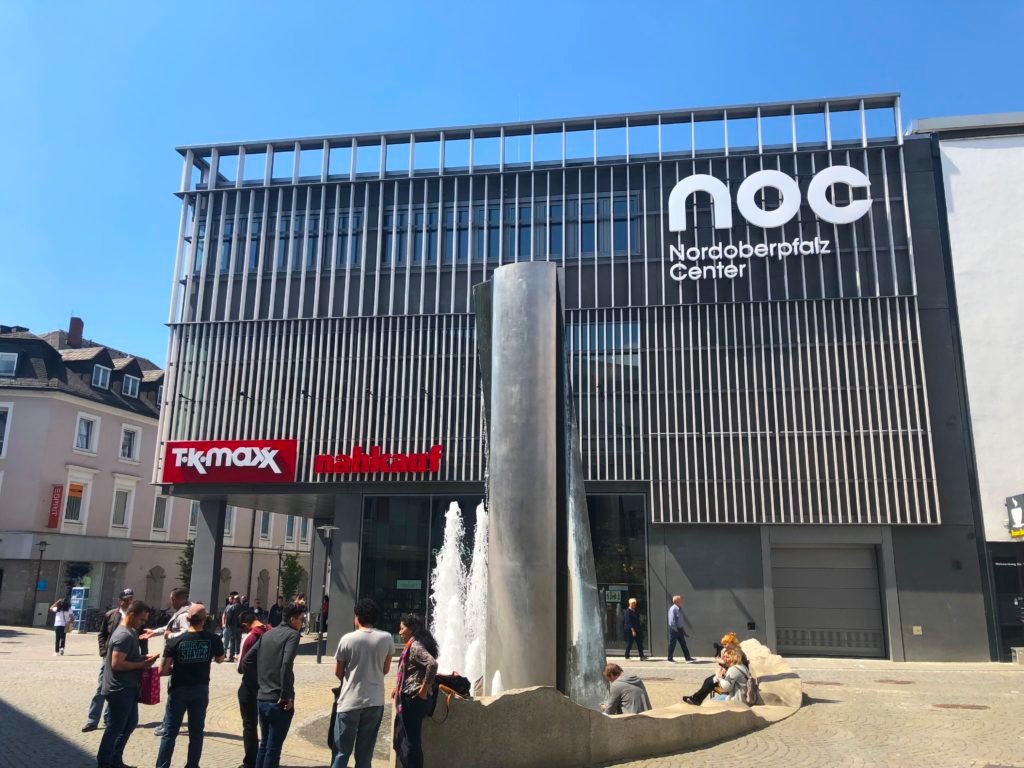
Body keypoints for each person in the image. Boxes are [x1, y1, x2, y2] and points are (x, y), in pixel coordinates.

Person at [155, 603, 225, 768]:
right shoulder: (213, 639)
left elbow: (162, 670)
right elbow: (220, 659)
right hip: (200, 688)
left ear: (187, 619)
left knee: (170, 732)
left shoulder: (175, 641)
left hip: (178, 688)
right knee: (196, 732)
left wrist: (176, 668)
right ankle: (192, 765)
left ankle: (162, 765)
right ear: (204, 619)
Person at [95, 600, 159, 768]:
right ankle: (104, 762)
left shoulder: (130, 631)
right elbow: (117, 664)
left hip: (128, 686)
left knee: (129, 723)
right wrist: (142, 664)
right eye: (141, 619)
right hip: (119, 688)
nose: (142, 623)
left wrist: (142, 658)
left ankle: (115, 759)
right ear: (131, 615)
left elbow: (127, 658)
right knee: (115, 728)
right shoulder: (123, 635)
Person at [242, 601, 306, 768]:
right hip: (278, 700)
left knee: (265, 744)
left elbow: (247, 660)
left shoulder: (268, 634)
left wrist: (259, 682)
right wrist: (286, 695)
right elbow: (286, 664)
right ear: (292, 619)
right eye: (301, 619)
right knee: (273, 748)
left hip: (263, 697)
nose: (302, 623)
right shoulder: (292, 635)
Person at [332, 598, 393, 768]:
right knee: (365, 755)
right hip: (375, 701)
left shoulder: (347, 639)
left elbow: (338, 671)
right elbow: (385, 669)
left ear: (357, 617)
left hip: (350, 700)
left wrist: (351, 679)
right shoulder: (387, 638)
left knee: (341, 753)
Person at [83, 587, 135, 732]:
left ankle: (108, 718)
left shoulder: (135, 616)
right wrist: (103, 651)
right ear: (120, 601)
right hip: (108, 656)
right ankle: (92, 720)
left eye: (131, 599)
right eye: (126, 600)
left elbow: (141, 637)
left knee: (117, 689)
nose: (128, 602)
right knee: (101, 687)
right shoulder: (111, 614)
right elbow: (102, 634)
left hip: (126, 657)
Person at [392, 613, 438, 768]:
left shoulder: (415, 646)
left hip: (413, 700)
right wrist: (398, 687)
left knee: (412, 743)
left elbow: (432, 664)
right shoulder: (413, 645)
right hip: (411, 698)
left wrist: (423, 690)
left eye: (402, 628)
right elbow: (412, 670)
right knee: (409, 740)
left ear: (411, 629)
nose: (399, 632)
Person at [147, 587, 193, 737]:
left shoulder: (184, 614)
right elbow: (169, 628)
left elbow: (186, 633)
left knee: (174, 695)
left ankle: (168, 725)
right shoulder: (184, 611)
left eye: (173, 599)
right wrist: (154, 632)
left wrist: (170, 636)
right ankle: (176, 723)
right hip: (184, 660)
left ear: (181, 599)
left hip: (177, 659)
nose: (171, 602)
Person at [237, 609, 270, 768]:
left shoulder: (250, 638)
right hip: (267, 685)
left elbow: (240, 667)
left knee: (250, 724)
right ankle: (266, 758)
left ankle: (250, 761)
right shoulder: (271, 632)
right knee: (267, 726)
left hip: (250, 687)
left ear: (245, 625)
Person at [683, 632, 745, 706]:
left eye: (726, 644)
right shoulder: (728, 650)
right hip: (728, 674)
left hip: (733, 679)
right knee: (708, 680)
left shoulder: (737, 652)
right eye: (723, 644)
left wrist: (721, 663)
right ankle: (695, 698)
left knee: (710, 682)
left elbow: (734, 664)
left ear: (732, 643)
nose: (724, 646)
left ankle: (696, 699)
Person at [666, 595, 695, 663]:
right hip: (674, 630)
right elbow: (671, 621)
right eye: (680, 600)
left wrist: (682, 630)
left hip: (680, 629)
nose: (681, 601)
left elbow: (680, 621)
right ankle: (669, 659)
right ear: (676, 601)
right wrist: (676, 629)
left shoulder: (680, 609)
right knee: (672, 644)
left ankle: (688, 658)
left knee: (683, 644)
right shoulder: (673, 609)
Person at [224, 592, 242, 662]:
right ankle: (238, 655)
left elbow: (229, 617)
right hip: (240, 627)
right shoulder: (243, 607)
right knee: (238, 642)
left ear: (235, 600)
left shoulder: (232, 607)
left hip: (233, 627)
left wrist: (227, 624)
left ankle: (231, 657)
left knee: (232, 642)